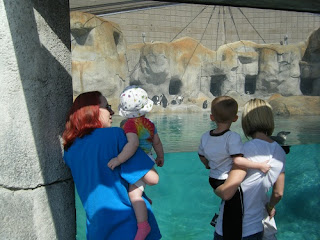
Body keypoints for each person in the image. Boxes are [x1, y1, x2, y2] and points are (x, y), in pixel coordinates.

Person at [62, 91, 162, 240]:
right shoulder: (115, 135)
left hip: (98, 231)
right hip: (132, 230)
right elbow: (152, 178)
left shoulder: (70, 149)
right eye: (107, 107)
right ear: (93, 110)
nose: (112, 112)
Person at [198, 96, 270, 240]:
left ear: (212, 117)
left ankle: (220, 225)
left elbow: (201, 155)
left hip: (213, 178)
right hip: (226, 179)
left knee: (226, 207)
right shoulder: (232, 137)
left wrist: (207, 164)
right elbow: (238, 160)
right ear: (236, 118)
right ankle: (233, 236)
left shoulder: (205, 136)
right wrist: (259, 165)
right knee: (235, 211)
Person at [214, 98, 286, 240]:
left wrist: (216, 188)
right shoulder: (280, 152)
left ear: (246, 121)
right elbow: (278, 193)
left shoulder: (244, 150)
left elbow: (227, 193)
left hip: (230, 228)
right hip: (255, 229)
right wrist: (270, 206)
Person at [107, 86, 165, 240]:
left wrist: (119, 159)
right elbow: (157, 143)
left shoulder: (130, 125)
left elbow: (132, 144)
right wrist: (160, 157)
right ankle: (144, 202)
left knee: (134, 194)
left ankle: (143, 225)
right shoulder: (150, 124)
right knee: (136, 188)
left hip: (138, 162)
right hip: (148, 159)